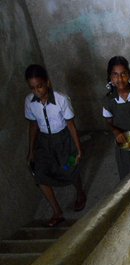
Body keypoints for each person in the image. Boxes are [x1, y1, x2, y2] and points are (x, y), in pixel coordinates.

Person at [24, 64, 86, 227]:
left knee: (70, 167)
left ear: (48, 83)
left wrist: (78, 148)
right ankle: (57, 212)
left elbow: (71, 125)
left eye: (40, 86)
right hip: (44, 141)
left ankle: (80, 193)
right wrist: (31, 151)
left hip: (63, 138)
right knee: (40, 175)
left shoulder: (61, 99)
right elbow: (33, 125)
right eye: (33, 88)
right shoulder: (30, 102)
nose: (37, 91)